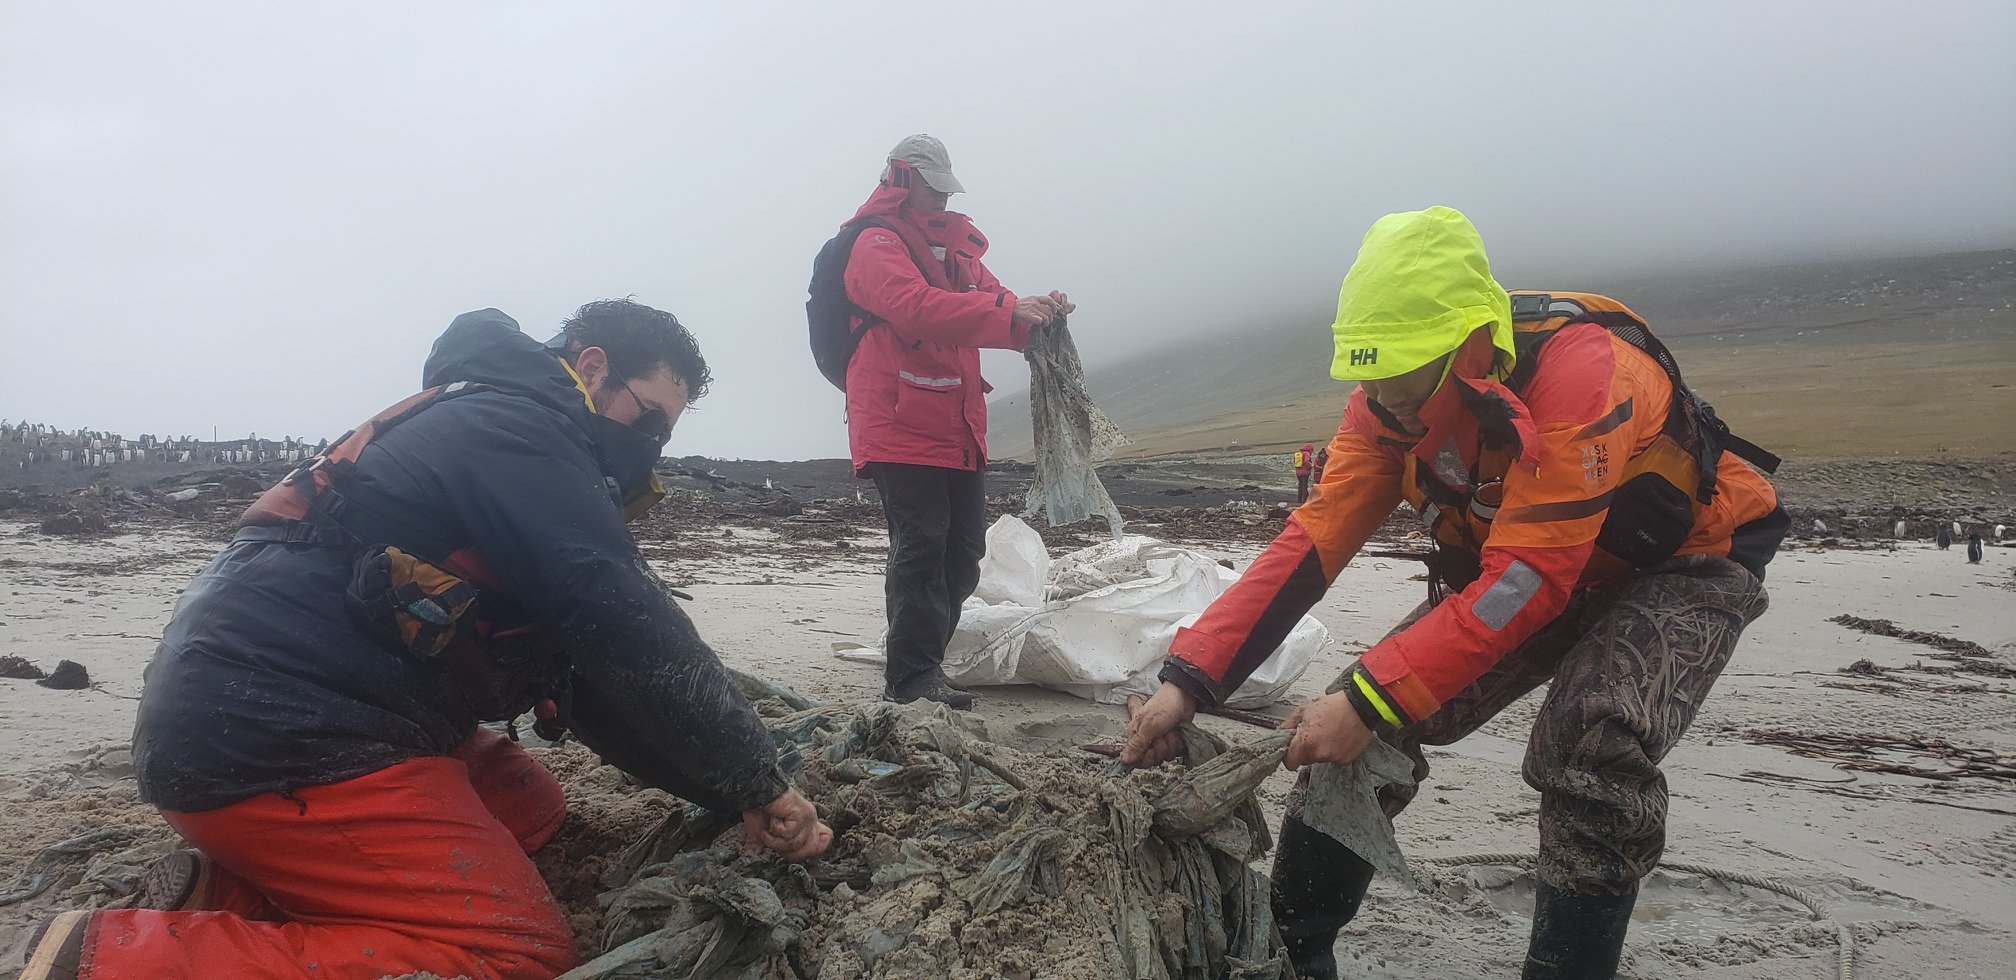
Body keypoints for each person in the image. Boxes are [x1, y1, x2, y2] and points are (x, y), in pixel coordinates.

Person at [18, 301, 831, 980]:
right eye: (645, 417)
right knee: (510, 950)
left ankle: (229, 891)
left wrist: (732, 792)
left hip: (287, 712)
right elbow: (622, 619)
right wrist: (762, 781)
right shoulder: (519, 428)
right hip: (279, 741)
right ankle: (99, 958)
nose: (647, 445)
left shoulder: (494, 425)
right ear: (589, 368)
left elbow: (583, 681)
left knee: (532, 808)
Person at [1120, 207, 1788, 980]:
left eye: (1405, 374)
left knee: (1592, 743)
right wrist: (1188, 679)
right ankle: (1293, 954)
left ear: (1472, 345)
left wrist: (1372, 701)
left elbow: (1527, 583)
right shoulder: (1381, 406)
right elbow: (1313, 539)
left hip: (1683, 562)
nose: (1388, 400)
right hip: (1526, 564)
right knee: (1360, 720)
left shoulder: (1582, 374)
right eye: (1370, 377)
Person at [834, 134, 1072, 709]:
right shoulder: (874, 243)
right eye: (932, 187)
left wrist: (1037, 312)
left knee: (962, 553)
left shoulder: (959, 252)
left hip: (956, 426)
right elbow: (915, 307)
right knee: (920, 547)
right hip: (897, 422)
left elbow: (997, 304)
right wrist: (1006, 310)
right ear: (902, 179)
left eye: (947, 189)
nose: (942, 200)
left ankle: (926, 664)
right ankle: (911, 678)